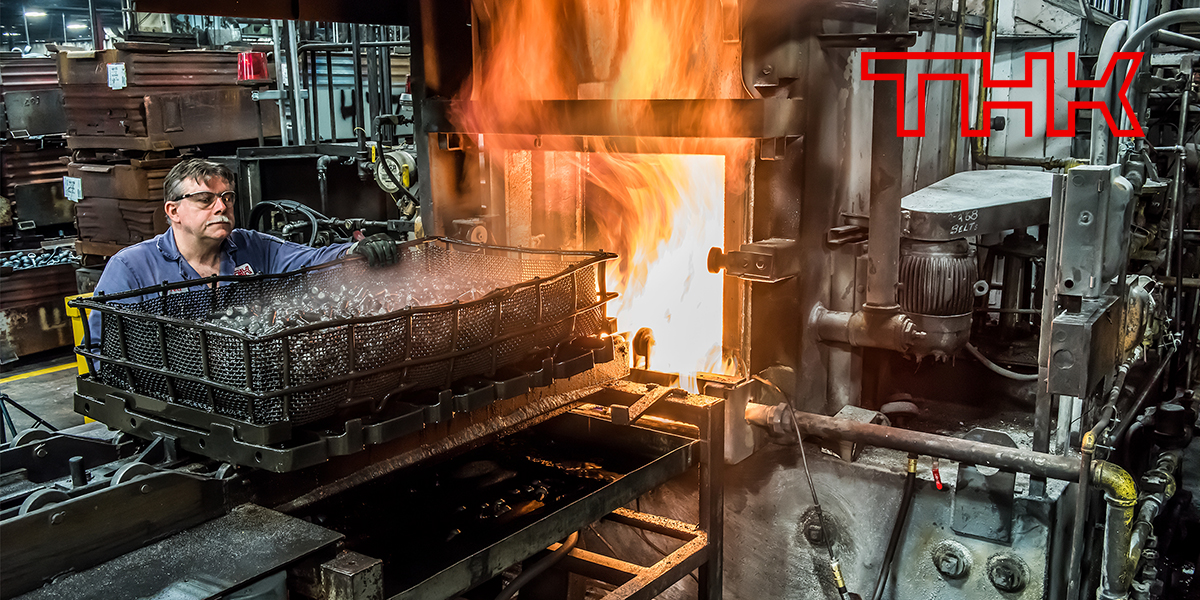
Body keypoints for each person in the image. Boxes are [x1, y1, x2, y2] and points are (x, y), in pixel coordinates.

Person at [87, 158, 398, 341]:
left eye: (227, 198)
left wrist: (356, 249)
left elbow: (312, 259)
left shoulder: (253, 247)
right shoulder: (132, 268)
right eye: (205, 200)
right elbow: (103, 347)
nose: (221, 207)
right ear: (173, 211)